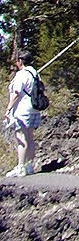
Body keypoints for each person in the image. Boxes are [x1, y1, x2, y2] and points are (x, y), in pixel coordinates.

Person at [4, 49, 41, 177]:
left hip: (22, 110)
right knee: (30, 138)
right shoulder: (35, 73)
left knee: (21, 139)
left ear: (20, 61)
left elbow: (17, 92)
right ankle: (29, 165)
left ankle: (20, 167)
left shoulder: (21, 74)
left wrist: (9, 108)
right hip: (34, 109)